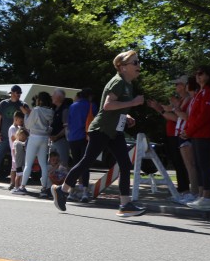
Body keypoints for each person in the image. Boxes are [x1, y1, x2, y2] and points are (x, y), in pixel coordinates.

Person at [52, 50, 146, 217]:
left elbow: (116, 106)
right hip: (101, 129)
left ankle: (125, 204)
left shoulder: (127, 84)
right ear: (123, 67)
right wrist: (133, 102)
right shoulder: (118, 82)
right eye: (135, 62)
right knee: (86, 161)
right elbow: (107, 106)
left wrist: (126, 116)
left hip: (114, 131)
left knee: (125, 164)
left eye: (138, 62)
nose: (139, 65)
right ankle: (62, 190)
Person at [148, 76, 192, 201]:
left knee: (181, 163)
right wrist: (159, 107)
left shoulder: (187, 99)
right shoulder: (181, 100)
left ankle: (185, 190)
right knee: (178, 163)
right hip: (174, 133)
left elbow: (177, 117)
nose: (175, 86)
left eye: (177, 84)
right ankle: (182, 189)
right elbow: (170, 113)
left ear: (184, 85)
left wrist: (159, 109)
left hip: (178, 134)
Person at [183, 65, 210, 210]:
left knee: (204, 165)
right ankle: (200, 195)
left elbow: (204, 116)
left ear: (208, 76)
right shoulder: (201, 91)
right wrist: (188, 130)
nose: (198, 76)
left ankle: (206, 196)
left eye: (201, 74)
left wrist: (189, 130)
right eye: (197, 74)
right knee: (199, 165)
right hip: (196, 133)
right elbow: (193, 115)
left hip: (204, 133)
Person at [19, 91, 54, 197]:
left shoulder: (36, 110)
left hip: (34, 137)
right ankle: (44, 188)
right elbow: (50, 126)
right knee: (43, 164)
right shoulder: (51, 111)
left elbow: (28, 125)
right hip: (44, 138)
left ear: (40, 100)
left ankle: (22, 187)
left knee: (28, 164)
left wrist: (26, 114)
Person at [65, 88, 96, 202]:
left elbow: (69, 123)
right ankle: (85, 192)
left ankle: (71, 191)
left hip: (73, 138)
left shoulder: (73, 106)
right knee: (85, 164)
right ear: (89, 96)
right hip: (85, 137)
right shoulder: (92, 106)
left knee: (75, 164)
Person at [49, 89, 70, 167]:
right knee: (52, 164)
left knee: (62, 164)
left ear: (58, 97)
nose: (52, 96)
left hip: (62, 141)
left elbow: (67, 127)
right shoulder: (54, 109)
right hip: (53, 141)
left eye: (53, 95)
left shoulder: (65, 110)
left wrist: (57, 136)